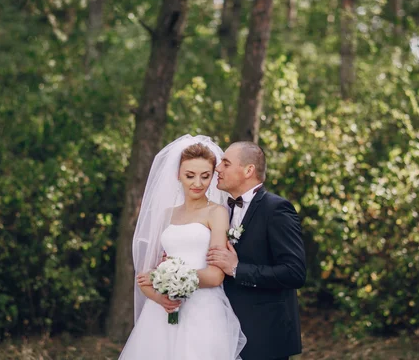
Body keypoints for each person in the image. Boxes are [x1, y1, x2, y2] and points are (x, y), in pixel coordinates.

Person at [118, 135, 246, 360]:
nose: (197, 183)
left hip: (203, 311)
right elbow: (145, 278)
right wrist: (161, 298)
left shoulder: (217, 213)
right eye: (190, 175)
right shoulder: (166, 214)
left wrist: (169, 277)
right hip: (161, 314)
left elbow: (215, 276)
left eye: (205, 176)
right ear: (178, 174)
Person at [207, 141, 306, 360]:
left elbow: (294, 272)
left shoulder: (277, 209)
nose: (218, 168)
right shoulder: (220, 210)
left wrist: (237, 269)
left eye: (225, 163)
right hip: (222, 332)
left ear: (248, 170)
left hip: (264, 337)